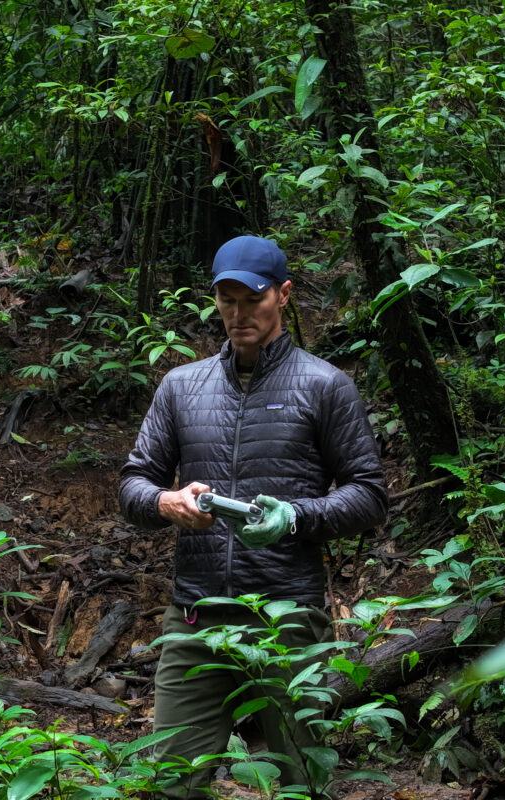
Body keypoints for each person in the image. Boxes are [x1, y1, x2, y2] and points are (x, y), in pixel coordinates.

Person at [118, 235, 388, 798]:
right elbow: (132, 484)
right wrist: (165, 502)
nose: (238, 315)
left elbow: (368, 495)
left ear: (284, 295)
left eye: (252, 300)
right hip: (195, 616)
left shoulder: (325, 386)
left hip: (287, 619)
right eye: (226, 301)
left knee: (300, 781)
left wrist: (295, 516)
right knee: (170, 783)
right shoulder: (182, 386)